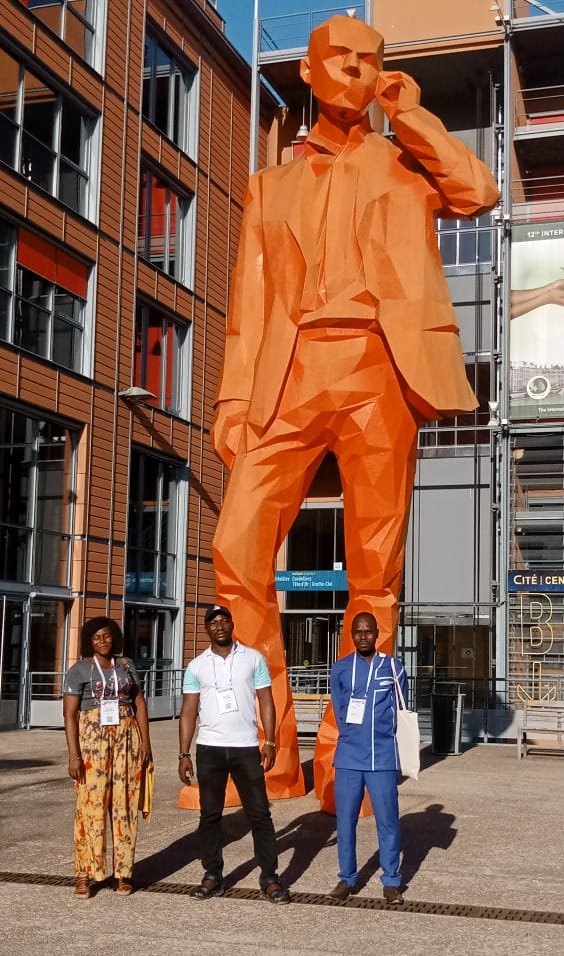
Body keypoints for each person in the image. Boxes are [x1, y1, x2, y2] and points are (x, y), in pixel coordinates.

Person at [210, 14, 499, 811]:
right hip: (290, 372)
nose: (354, 70)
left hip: (380, 367)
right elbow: (250, 300)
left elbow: (479, 190)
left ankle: (348, 760)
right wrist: (234, 397)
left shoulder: (406, 162)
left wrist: (410, 112)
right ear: (307, 71)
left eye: (369, 61)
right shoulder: (269, 184)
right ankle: (266, 761)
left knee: (376, 576)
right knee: (235, 549)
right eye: (338, 59)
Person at [178, 604, 290, 903]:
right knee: (210, 815)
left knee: (259, 815)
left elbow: (266, 700)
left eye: (223, 620)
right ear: (206, 628)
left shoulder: (253, 659)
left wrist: (269, 742)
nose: (219, 626)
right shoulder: (196, 666)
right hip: (209, 748)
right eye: (213, 622)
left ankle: (269, 877)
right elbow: (188, 711)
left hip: (245, 747)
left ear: (231, 623)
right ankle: (212, 874)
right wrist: (183, 753)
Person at [63, 616, 152, 898]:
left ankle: (122, 873)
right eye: (96, 637)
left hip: (126, 737)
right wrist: (74, 755)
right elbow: (69, 714)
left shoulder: (125, 665)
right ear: (88, 641)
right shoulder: (78, 670)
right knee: (90, 806)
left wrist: (146, 744)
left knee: (124, 804)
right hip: (92, 740)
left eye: (107, 636)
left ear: (114, 637)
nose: (103, 641)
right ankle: (84, 874)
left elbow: (138, 702)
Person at [328, 612, 408, 904]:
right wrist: (350, 733)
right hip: (349, 756)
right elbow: (339, 708)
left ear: (377, 633)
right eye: (358, 632)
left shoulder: (394, 667)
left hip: (382, 757)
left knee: (387, 821)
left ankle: (391, 880)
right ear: (351, 634)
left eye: (368, 632)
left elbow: (402, 709)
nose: (363, 636)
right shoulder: (340, 669)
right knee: (345, 821)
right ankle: (347, 878)